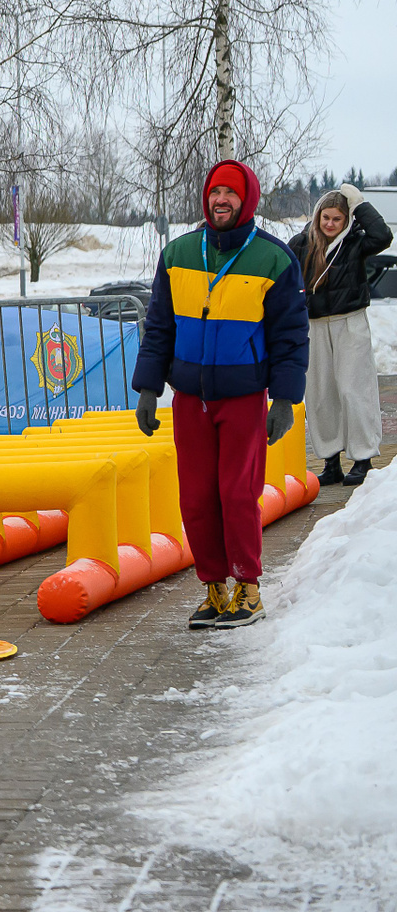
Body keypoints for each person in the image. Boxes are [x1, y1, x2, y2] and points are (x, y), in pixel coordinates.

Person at [131, 159, 309, 631]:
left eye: (230, 193)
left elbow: (291, 338)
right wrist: (148, 388)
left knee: (237, 494)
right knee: (196, 498)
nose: (221, 200)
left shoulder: (274, 259)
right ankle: (214, 588)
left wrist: (285, 400)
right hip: (190, 399)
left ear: (246, 200)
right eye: (215, 192)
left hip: (243, 397)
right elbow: (159, 327)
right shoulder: (177, 254)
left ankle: (248, 587)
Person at [287, 184, 390, 486]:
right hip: (314, 325)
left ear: (346, 220)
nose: (330, 224)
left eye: (337, 219)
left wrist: (359, 205)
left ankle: (363, 458)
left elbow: (383, 236)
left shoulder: (355, 243)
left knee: (353, 390)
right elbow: (282, 273)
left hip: (349, 322)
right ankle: (330, 461)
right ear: (317, 216)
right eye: (326, 218)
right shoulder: (301, 243)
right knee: (320, 393)